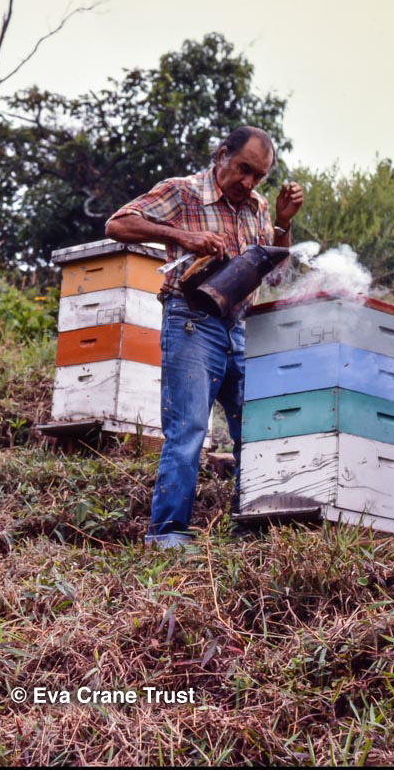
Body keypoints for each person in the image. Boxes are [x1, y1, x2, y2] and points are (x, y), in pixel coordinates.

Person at [105, 126, 304, 549]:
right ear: (221, 156)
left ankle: (248, 526)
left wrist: (283, 224)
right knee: (190, 430)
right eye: (242, 170)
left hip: (240, 328)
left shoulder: (259, 208)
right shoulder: (183, 192)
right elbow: (117, 224)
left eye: (258, 176)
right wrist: (183, 236)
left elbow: (278, 275)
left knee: (256, 428)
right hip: (192, 322)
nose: (247, 183)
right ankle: (167, 534)